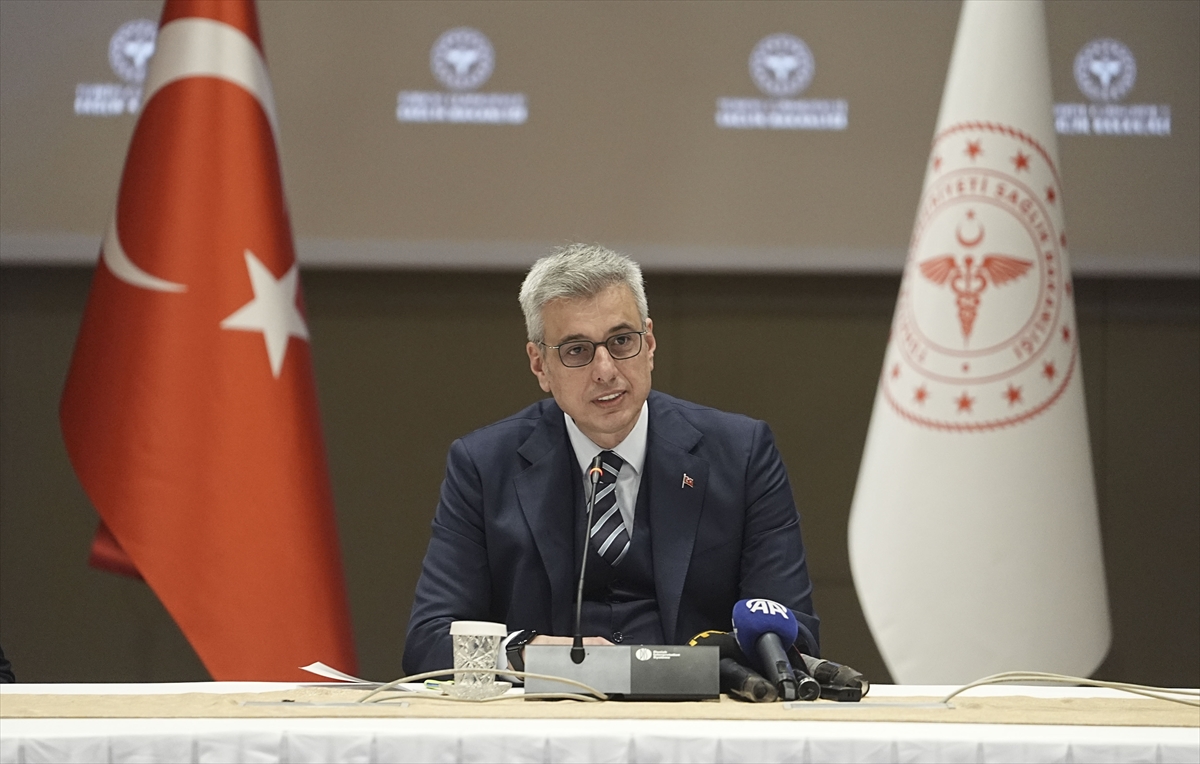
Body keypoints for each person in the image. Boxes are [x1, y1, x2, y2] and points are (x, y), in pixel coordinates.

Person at [403, 244, 818, 675]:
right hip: (549, 707)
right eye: (577, 350)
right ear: (540, 365)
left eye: (621, 341)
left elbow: (795, 635)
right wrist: (527, 652)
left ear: (649, 344)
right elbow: (428, 640)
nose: (605, 370)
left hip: (696, 704)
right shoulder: (485, 465)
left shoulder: (741, 454)